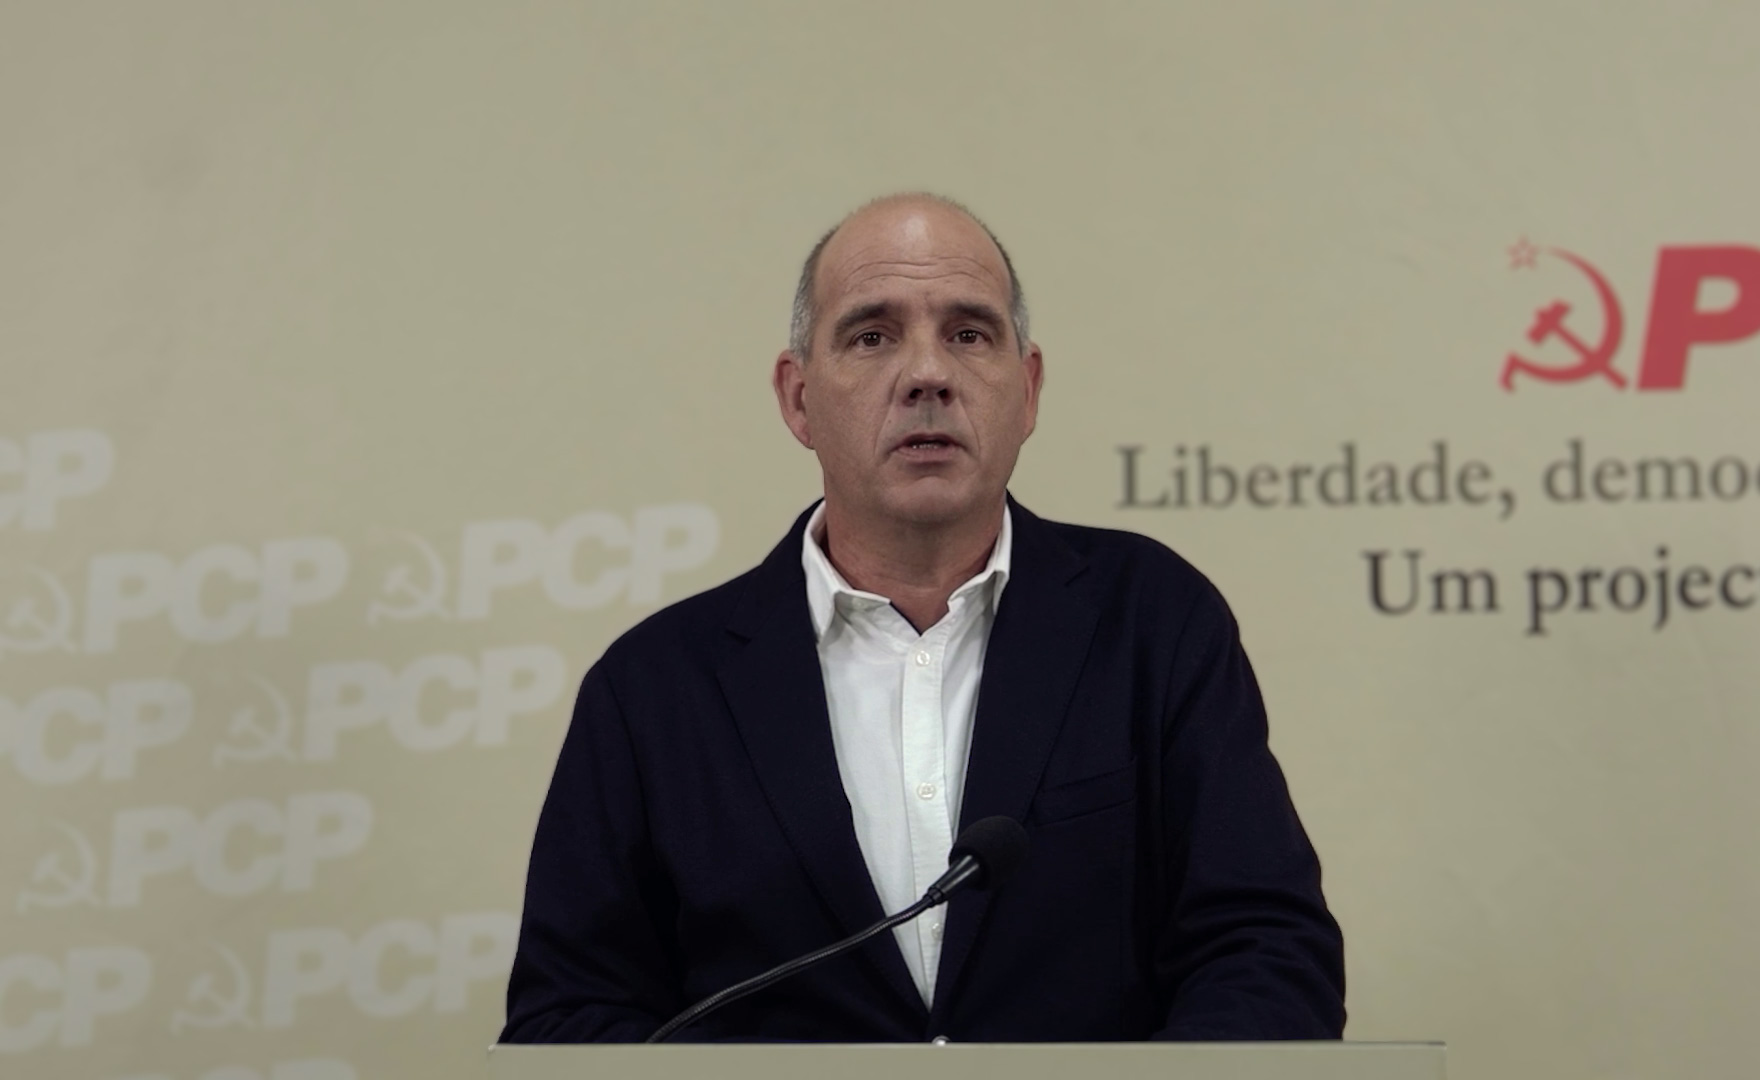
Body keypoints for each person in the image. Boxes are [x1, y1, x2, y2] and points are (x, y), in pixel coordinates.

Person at [500, 193, 1345, 1042]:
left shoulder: (1151, 620)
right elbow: (568, 1018)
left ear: (1028, 390)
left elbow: (1266, 951)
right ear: (798, 399)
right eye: (872, 336)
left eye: (969, 334)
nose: (927, 374)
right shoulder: (655, 689)